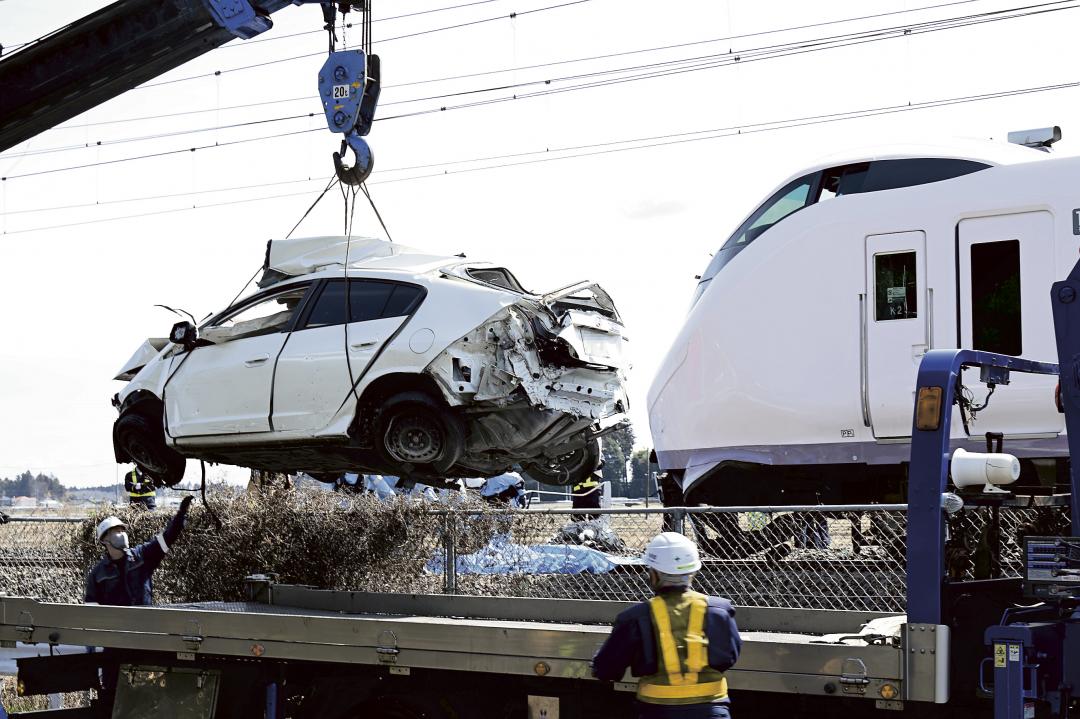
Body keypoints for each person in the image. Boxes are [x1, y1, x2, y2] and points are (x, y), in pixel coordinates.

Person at [592, 532, 741, 718]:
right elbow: (730, 657)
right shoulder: (719, 611)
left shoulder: (635, 617)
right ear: (693, 571)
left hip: (657, 711)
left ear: (654, 574)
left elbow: (607, 669)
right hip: (712, 711)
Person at [85, 495, 193, 606]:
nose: (122, 534)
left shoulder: (141, 555)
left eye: (123, 530)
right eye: (117, 531)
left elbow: (165, 540)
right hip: (116, 623)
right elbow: (92, 611)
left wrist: (180, 516)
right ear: (104, 540)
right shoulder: (97, 574)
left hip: (145, 621)